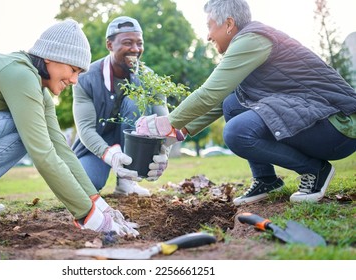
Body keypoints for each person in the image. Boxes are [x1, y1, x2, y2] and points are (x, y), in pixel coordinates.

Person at [0, 19, 138, 236]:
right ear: (51, 58)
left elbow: (60, 149)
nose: (74, 80)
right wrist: (91, 218)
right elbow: (44, 155)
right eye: (72, 69)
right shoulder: (20, 76)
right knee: (22, 126)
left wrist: (100, 205)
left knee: (31, 127)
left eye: (79, 73)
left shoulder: (36, 87)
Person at [135, 0, 356, 205]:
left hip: (339, 125)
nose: (208, 36)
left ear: (229, 24)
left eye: (210, 26)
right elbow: (219, 101)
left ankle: (315, 170)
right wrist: (171, 136)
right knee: (232, 103)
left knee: (237, 133)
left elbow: (209, 93)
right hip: (318, 118)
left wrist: (165, 122)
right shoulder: (246, 48)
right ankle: (266, 180)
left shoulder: (252, 39)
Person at [71, 16, 170, 196]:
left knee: (134, 99)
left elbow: (165, 122)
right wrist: (111, 155)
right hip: (98, 143)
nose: (135, 49)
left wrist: (164, 151)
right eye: (127, 42)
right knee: (85, 183)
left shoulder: (150, 79)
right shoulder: (86, 78)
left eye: (139, 43)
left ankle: (127, 183)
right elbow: (85, 129)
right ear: (110, 45)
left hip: (134, 140)